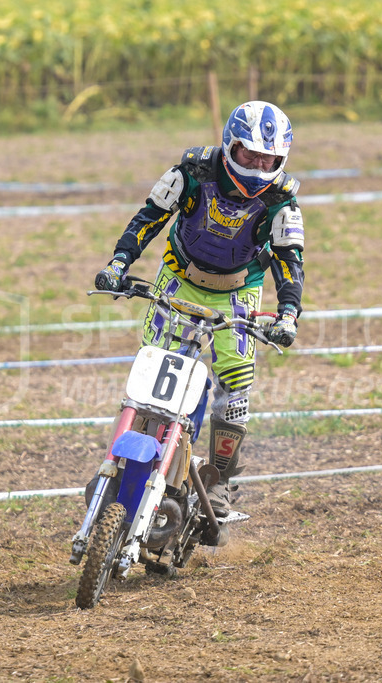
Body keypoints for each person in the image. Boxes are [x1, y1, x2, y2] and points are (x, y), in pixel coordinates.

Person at [93, 100, 305, 520]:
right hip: (178, 275)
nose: (260, 167)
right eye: (251, 154)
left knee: (235, 390)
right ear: (231, 145)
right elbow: (151, 217)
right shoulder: (193, 172)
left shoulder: (283, 201)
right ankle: (127, 462)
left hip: (239, 291)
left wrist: (288, 314)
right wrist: (119, 262)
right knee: (154, 369)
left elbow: (289, 258)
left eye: (270, 158)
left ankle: (217, 482)